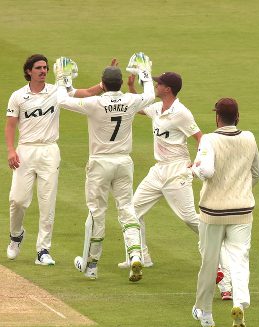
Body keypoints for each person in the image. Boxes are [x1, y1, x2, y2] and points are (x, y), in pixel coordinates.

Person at [58, 55, 155, 282]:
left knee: (96, 213)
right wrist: (145, 74)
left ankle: (91, 265)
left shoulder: (95, 103)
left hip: (100, 163)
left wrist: (63, 79)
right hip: (123, 162)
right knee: (127, 209)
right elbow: (150, 95)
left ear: (103, 83)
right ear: (121, 83)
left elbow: (62, 101)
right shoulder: (131, 101)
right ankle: (135, 255)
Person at [5, 54, 106, 265]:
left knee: (47, 201)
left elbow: (85, 93)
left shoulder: (57, 90)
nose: (43, 71)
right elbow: (10, 124)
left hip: (49, 151)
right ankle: (16, 235)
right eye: (39, 68)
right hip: (26, 150)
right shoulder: (17, 96)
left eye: (45, 68)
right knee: (18, 200)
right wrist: (10, 150)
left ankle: (43, 250)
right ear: (28, 71)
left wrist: (104, 84)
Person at [116, 71, 201, 268]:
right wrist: (131, 88)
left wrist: (197, 161)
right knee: (133, 211)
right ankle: (141, 256)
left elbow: (200, 137)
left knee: (189, 218)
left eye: (159, 84)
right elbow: (139, 108)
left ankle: (220, 242)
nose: (155, 86)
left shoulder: (182, 113)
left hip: (177, 170)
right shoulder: (157, 108)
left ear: (168, 89)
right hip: (158, 170)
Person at [190, 98, 259, 327]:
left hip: (213, 211)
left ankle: (205, 313)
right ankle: (239, 304)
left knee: (210, 262)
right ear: (237, 117)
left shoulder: (209, 140)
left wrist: (194, 170)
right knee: (240, 260)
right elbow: (257, 174)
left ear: (217, 117)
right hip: (242, 210)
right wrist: (239, 189)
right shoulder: (249, 138)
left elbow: (207, 170)